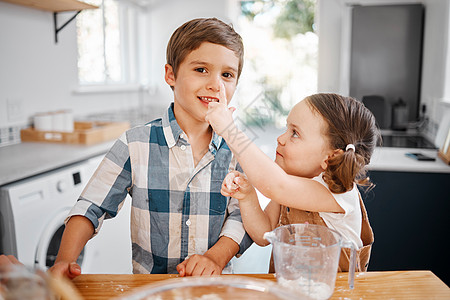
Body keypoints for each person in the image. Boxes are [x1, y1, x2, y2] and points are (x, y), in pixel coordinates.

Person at [49, 17, 252, 279]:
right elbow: (91, 206)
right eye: (201, 69)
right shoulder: (135, 143)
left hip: (213, 288)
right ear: (171, 74)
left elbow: (242, 218)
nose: (216, 84)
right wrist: (65, 259)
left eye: (227, 74)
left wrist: (216, 257)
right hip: (148, 288)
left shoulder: (237, 147)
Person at [206, 92, 378, 271]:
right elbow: (263, 234)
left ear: (331, 156)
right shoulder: (292, 185)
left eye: (295, 133)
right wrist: (247, 196)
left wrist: (229, 131)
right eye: (286, 129)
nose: (280, 138)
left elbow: (276, 185)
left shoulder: (338, 192)